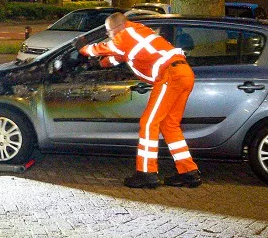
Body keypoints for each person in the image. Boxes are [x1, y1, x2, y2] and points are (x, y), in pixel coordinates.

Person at [74, 12, 202, 188]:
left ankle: (147, 173)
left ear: (117, 28)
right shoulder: (136, 32)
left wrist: (82, 48)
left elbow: (104, 47)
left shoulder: (125, 34)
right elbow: (119, 56)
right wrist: (99, 64)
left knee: (149, 123)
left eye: (108, 31)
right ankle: (189, 173)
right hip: (183, 73)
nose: (108, 35)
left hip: (169, 75)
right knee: (169, 125)